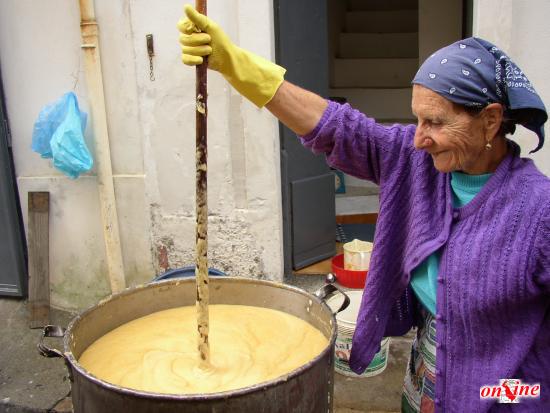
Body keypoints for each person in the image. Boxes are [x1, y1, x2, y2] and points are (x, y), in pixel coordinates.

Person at [178, 5, 550, 412]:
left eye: (436, 123)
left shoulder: (538, 212)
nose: (419, 139)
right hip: (425, 372)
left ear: (491, 120)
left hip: (503, 390)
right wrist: (237, 65)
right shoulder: (416, 162)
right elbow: (337, 127)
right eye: (417, 120)